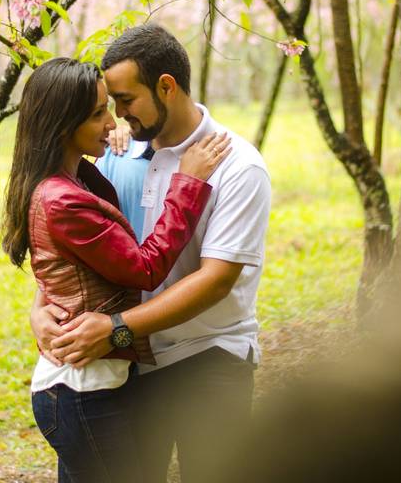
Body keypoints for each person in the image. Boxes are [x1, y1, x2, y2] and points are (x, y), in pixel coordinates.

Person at [32, 24, 273, 481]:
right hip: (135, 366)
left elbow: (217, 279)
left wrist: (117, 329)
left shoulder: (238, 166)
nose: (118, 116)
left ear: (166, 86)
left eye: (125, 101)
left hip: (208, 358)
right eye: (111, 104)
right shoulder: (115, 157)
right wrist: (41, 307)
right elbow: (80, 246)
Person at [1, 57, 231, 482]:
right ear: (61, 125)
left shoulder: (75, 179)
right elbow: (144, 267)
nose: (111, 121)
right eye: (97, 113)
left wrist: (114, 133)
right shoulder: (63, 199)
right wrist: (189, 183)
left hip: (94, 383)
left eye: (111, 107)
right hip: (83, 390)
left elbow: (66, 266)